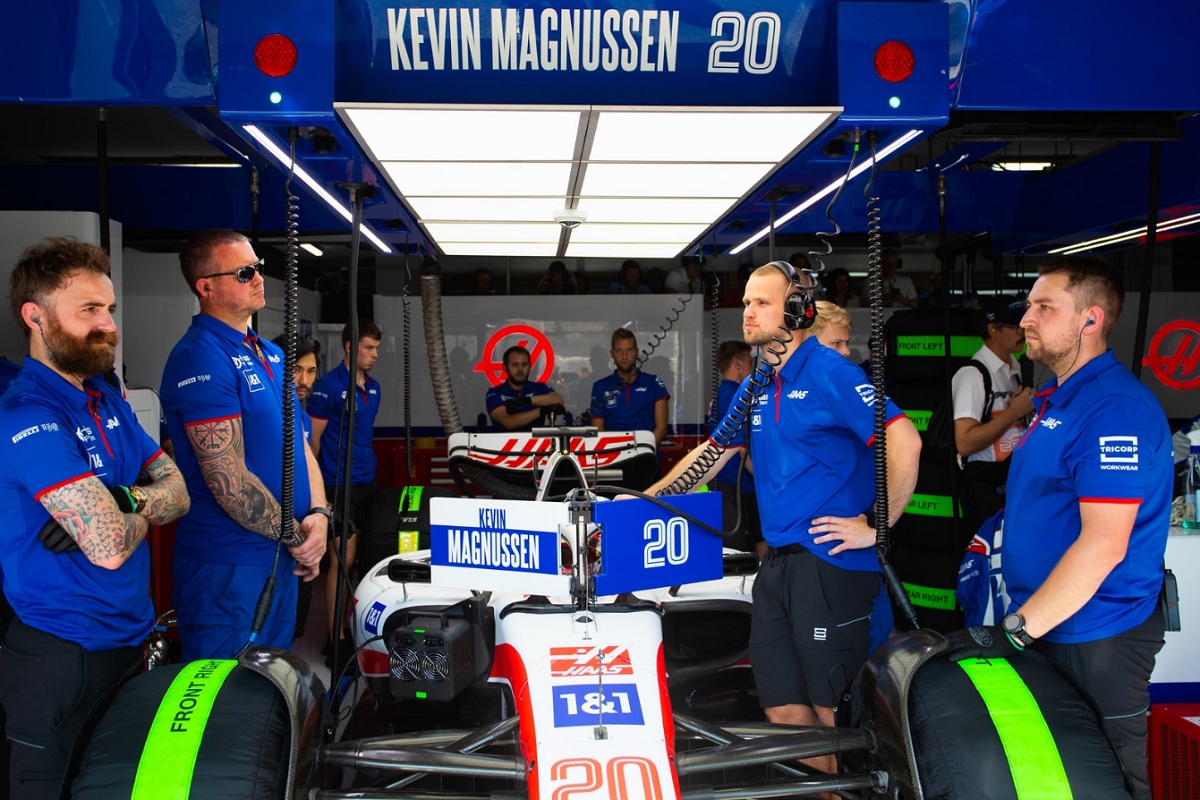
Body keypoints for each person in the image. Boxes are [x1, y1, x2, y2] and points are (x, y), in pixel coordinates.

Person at [641, 263, 920, 762]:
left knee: (835, 712)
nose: (747, 312)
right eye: (746, 302)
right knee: (784, 712)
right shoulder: (759, 383)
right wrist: (641, 499)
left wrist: (877, 524)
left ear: (796, 309)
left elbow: (904, 438)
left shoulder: (830, 372)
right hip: (777, 564)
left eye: (761, 303)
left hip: (829, 561)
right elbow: (714, 452)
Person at [942, 258, 1171, 800]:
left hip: (1100, 632)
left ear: (1090, 321)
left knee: (1110, 777)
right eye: (1029, 306)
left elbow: (1103, 543)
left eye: (1045, 307)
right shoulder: (1053, 400)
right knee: (1059, 776)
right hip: (1049, 625)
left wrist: (1016, 630)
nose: (1026, 318)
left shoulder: (1114, 409)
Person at [0, 237, 189, 799]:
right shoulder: (28, 413)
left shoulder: (105, 401)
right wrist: (130, 506)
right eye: (89, 310)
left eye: (109, 309)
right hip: (61, 655)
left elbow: (178, 490)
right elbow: (107, 546)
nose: (108, 324)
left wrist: (124, 499)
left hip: (128, 644)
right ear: (35, 317)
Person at [160, 229, 327, 660]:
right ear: (206, 287)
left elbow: (301, 447)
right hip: (228, 569)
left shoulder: (270, 354)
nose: (258, 279)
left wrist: (321, 518)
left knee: (268, 698)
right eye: (244, 272)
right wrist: (299, 538)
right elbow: (228, 482)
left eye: (259, 268)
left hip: (278, 559)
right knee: (225, 704)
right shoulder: (200, 356)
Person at [307, 320, 382, 649]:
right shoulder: (327, 387)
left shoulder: (374, 387)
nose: (374, 354)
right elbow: (313, 445)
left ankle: (358, 629)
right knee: (343, 560)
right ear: (350, 347)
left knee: (365, 558)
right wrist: (318, 493)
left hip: (368, 481)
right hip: (338, 485)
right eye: (368, 347)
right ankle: (335, 638)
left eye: (377, 348)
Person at [950, 298, 1035, 534]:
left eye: (1024, 326)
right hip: (984, 484)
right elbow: (965, 443)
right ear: (993, 329)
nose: (1022, 332)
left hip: (1013, 478)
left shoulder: (1016, 370)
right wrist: (1014, 412)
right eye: (1014, 326)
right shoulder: (972, 375)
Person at [271, 333, 323, 639]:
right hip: (268, 542)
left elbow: (308, 461)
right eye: (296, 370)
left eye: (311, 371)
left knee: (291, 631)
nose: (304, 380)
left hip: (300, 539)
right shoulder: (268, 411)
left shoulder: (302, 416)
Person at [706, 340, 762, 557]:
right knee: (760, 541)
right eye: (749, 362)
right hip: (740, 484)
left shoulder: (721, 394)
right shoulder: (736, 395)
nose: (752, 367)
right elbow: (741, 447)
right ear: (738, 365)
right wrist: (764, 479)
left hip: (725, 481)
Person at [590, 328, 669, 446]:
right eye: (619, 351)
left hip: (646, 459)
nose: (624, 356)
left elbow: (662, 428)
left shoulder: (654, 383)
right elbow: (598, 430)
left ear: (637, 352)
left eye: (629, 350)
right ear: (612, 354)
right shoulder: (600, 387)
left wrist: (643, 452)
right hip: (612, 459)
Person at [486, 345, 565, 432]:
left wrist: (527, 400)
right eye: (515, 365)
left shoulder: (539, 387)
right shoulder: (495, 392)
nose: (520, 369)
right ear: (505, 368)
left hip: (537, 444)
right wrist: (541, 410)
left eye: (524, 364)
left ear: (530, 367)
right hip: (502, 444)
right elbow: (509, 422)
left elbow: (558, 400)